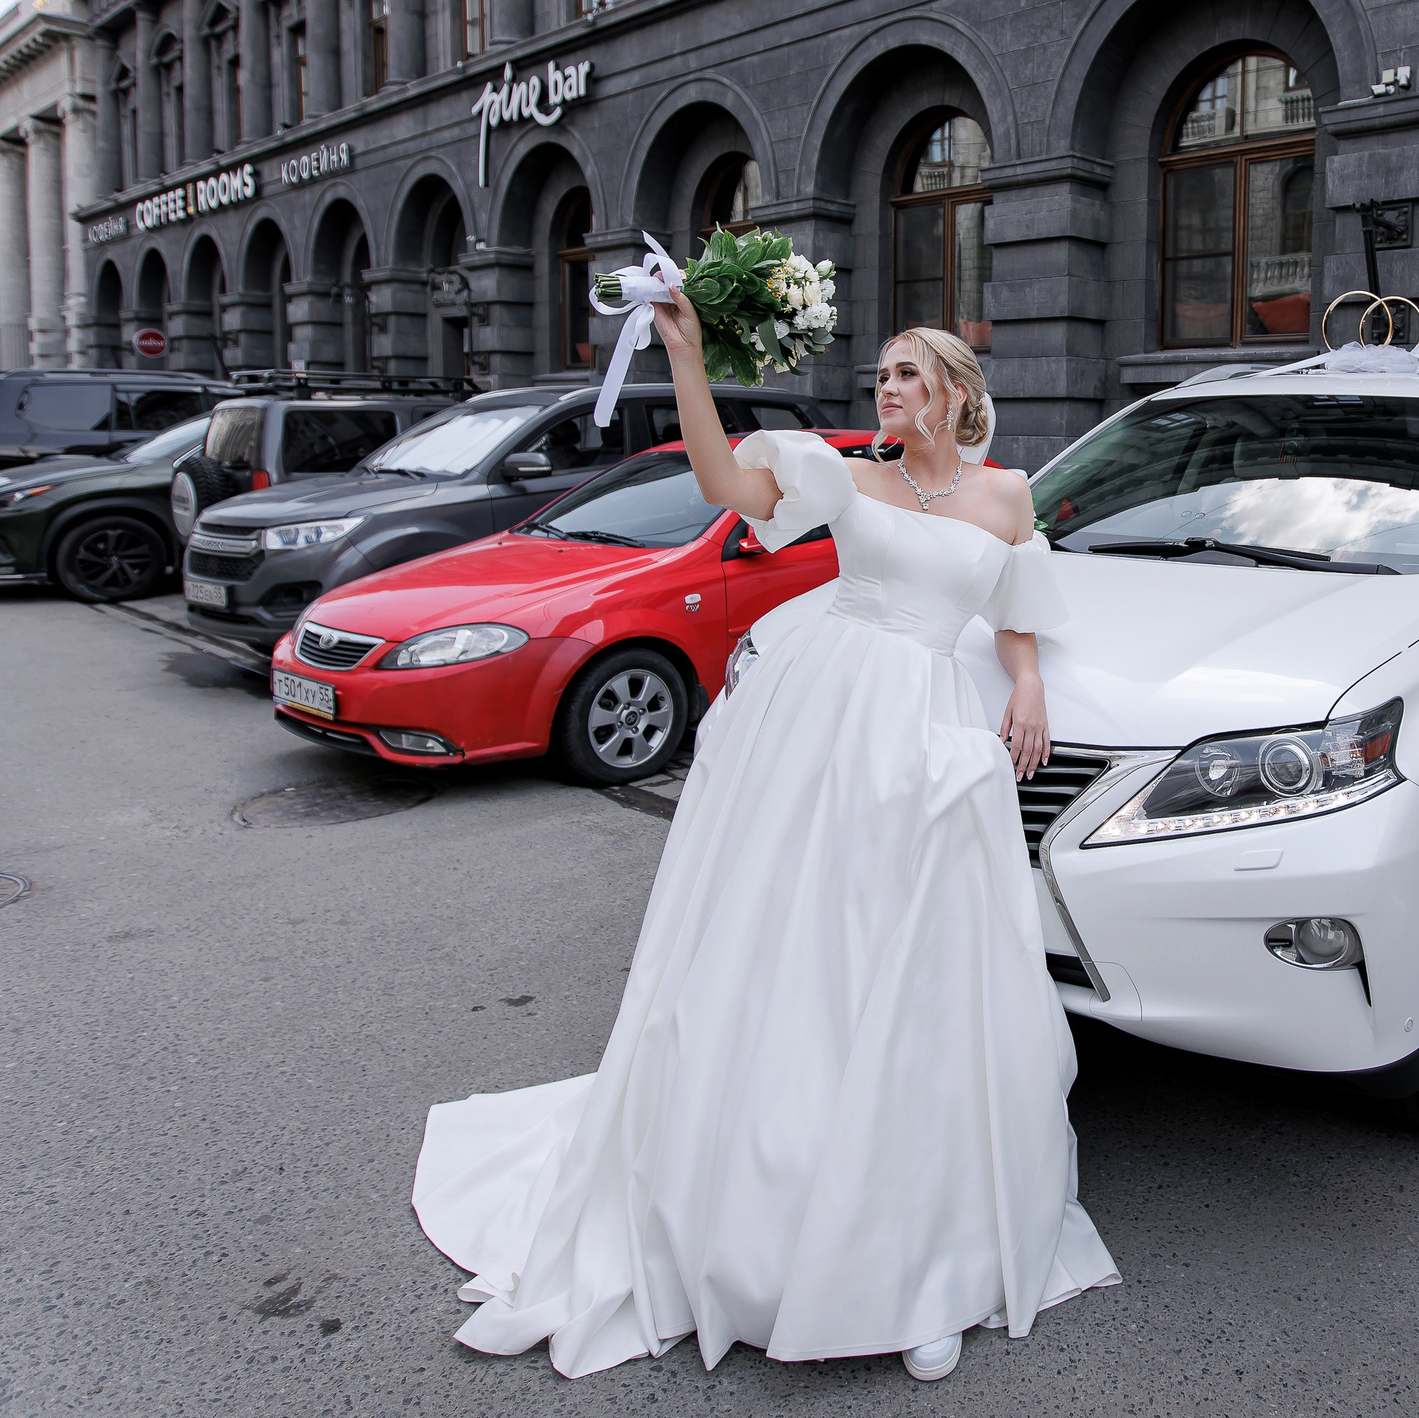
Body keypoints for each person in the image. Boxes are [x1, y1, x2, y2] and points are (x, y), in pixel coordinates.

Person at [410, 303, 1118, 1382]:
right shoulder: (848, 476)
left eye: (909, 376)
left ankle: (922, 1258)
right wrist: (687, 362)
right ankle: (778, 1218)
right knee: (808, 947)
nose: (887, 390)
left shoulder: (1006, 494)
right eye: (881, 375)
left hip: (931, 730)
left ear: (958, 395)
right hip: (826, 718)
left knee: (925, 973)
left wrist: (1023, 684)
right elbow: (723, 488)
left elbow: (1012, 599)